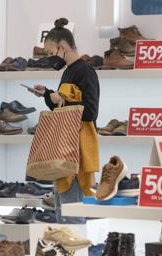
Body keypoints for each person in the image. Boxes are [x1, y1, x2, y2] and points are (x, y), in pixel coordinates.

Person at [29, 18, 100, 223]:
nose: (51, 58)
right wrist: (47, 95)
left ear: (62, 47)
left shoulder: (85, 72)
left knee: (71, 213)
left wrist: (62, 99)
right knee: (63, 212)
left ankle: (74, 252)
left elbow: (90, 112)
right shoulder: (69, 71)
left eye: (51, 53)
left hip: (75, 149)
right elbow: (66, 108)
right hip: (65, 146)